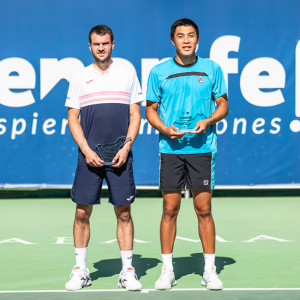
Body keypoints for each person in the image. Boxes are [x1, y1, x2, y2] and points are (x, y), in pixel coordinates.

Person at [146, 18, 228, 290]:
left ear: (197, 39)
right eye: (180, 36)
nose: (186, 40)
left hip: (202, 149)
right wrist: (164, 129)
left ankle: (210, 270)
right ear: (173, 41)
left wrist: (208, 121)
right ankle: (167, 270)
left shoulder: (212, 69)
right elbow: (150, 109)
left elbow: (223, 105)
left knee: (203, 209)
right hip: (170, 150)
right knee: (170, 209)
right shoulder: (159, 72)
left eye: (191, 35)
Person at [64, 25, 143, 291]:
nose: (101, 47)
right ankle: (80, 271)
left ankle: (127, 271)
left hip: (120, 156)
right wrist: (87, 150)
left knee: (123, 213)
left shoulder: (127, 73)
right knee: (81, 213)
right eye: (96, 44)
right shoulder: (79, 77)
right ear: (89, 46)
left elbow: (136, 115)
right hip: (88, 158)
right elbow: (72, 118)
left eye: (105, 43)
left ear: (112, 44)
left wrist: (126, 147)